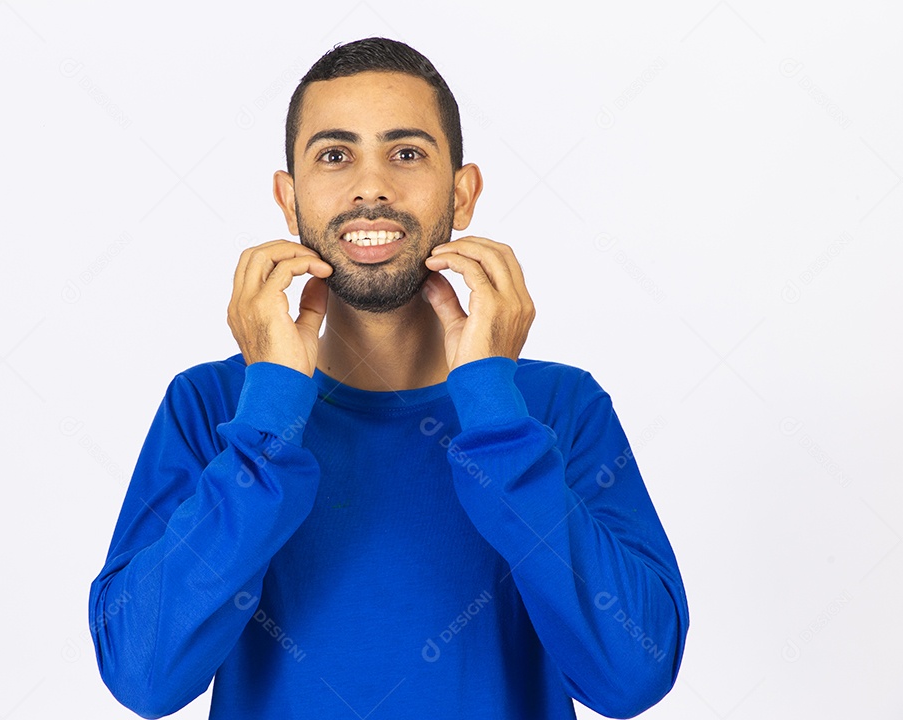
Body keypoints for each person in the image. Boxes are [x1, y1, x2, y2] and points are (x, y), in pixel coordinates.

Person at [89, 37, 689, 719]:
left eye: (407, 154)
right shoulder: (212, 407)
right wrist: (271, 415)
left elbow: (633, 676)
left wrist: (495, 411)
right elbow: (143, 677)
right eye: (334, 156)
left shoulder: (559, 407)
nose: (371, 187)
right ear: (289, 200)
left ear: (461, 194)